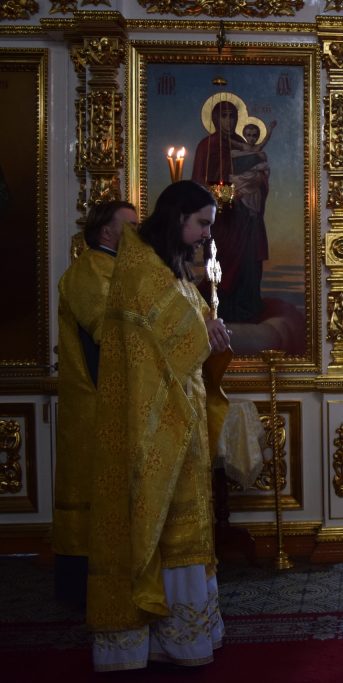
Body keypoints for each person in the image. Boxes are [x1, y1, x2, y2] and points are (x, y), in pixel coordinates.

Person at [86, 181, 232, 672]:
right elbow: (160, 341)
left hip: (181, 417)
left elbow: (191, 326)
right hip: (152, 423)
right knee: (159, 522)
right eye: (202, 223)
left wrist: (211, 326)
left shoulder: (168, 269)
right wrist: (203, 330)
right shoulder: (141, 270)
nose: (206, 234)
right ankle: (150, 640)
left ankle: (182, 636)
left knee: (183, 524)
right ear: (178, 217)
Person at [53, 200, 137, 609]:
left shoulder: (117, 268)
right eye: (130, 226)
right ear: (106, 232)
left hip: (111, 405)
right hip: (94, 407)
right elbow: (111, 336)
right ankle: (84, 595)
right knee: (91, 493)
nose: (137, 234)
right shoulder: (91, 270)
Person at [191, 100, 269, 323]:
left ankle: (247, 310)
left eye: (232, 116)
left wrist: (257, 181)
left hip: (247, 216)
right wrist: (231, 193)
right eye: (223, 116)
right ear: (215, 119)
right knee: (222, 262)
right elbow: (199, 184)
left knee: (249, 263)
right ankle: (220, 310)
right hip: (222, 219)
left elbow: (261, 177)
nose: (228, 121)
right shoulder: (206, 146)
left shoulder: (242, 144)